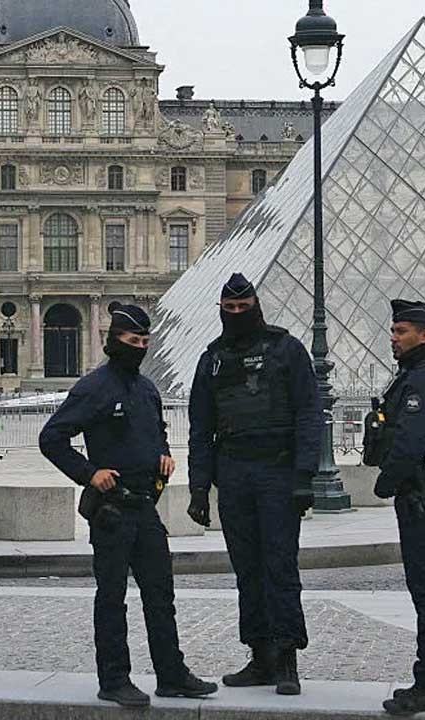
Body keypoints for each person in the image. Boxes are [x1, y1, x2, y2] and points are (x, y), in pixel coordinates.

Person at [39, 303, 216, 708]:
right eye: (132, 341)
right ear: (113, 341)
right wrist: (88, 473)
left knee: (161, 594)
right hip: (112, 510)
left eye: (144, 341)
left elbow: (157, 431)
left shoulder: (147, 388)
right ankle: (114, 678)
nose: (139, 347)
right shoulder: (93, 387)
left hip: (144, 507)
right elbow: (51, 438)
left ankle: (171, 674)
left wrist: (164, 454)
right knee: (112, 596)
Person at [185, 273, 320, 696]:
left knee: (280, 565)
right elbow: (199, 428)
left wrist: (304, 479)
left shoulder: (287, 350)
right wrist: (198, 488)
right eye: (231, 309)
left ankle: (287, 658)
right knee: (246, 569)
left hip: (277, 472)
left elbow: (308, 416)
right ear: (222, 310)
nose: (238, 315)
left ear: (257, 306)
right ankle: (259, 655)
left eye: (244, 308)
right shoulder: (212, 360)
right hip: (234, 473)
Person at [365, 300, 425, 716]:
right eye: (393, 330)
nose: (393, 336)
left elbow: (409, 442)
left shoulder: (423, 380)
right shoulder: (423, 375)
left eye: (401, 330)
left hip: (421, 491)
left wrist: (385, 483)